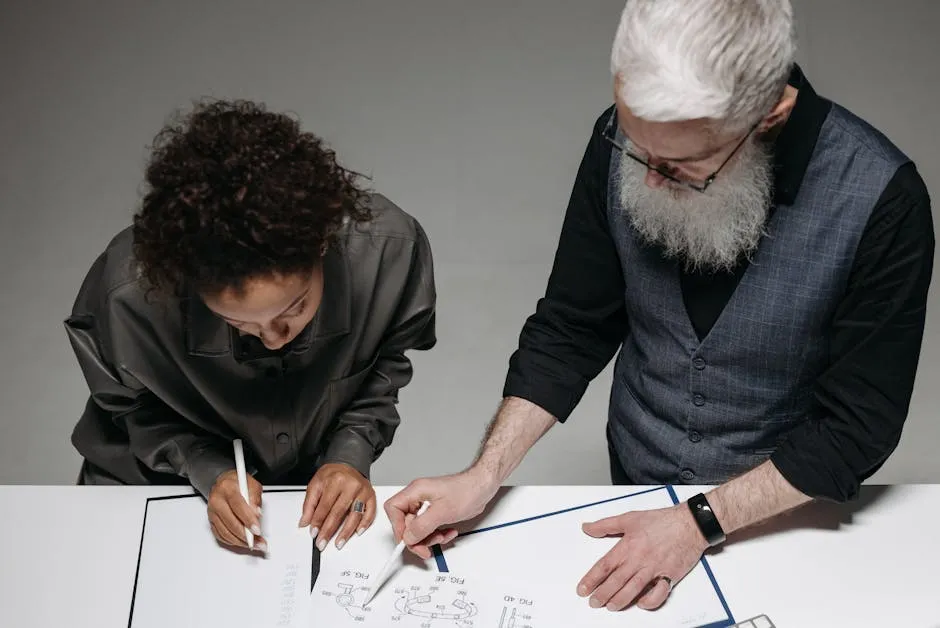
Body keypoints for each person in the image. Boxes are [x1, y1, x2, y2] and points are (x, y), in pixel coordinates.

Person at [385, 0, 933, 614]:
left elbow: (856, 426)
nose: (646, 181)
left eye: (679, 167)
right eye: (636, 150)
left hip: (788, 514)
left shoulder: (885, 198)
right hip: (638, 480)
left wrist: (697, 522)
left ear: (771, 115)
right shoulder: (627, 139)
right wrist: (483, 474)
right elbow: (571, 325)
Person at [65, 99, 437, 555]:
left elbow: (384, 366)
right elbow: (128, 410)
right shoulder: (126, 296)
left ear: (321, 242)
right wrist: (206, 467)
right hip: (142, 485)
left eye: (294, 309)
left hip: (294, 498)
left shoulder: (388, 253)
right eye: (237, 322)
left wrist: (349, 455)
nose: (275, 337)